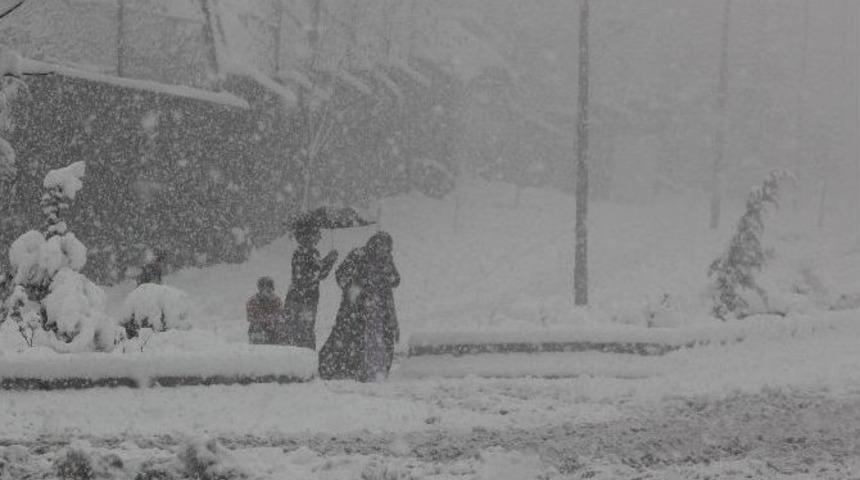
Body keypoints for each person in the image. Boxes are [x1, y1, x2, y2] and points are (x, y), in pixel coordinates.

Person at [318, 231, 400, 382]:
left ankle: (372, 370)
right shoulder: (358, 254)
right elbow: (341, 275)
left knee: (377, 340)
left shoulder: (386, 260)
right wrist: (354, 287)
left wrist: (389, 273)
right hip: (355, 307)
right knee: (347, 336)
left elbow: (395, 280)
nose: (384, 250)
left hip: (379, 309)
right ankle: (339, 368)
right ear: (374, 244)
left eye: (387, 247)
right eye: (382, 246)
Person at [280, 219, 338, 348]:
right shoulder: (306, 253)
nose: (320, 237)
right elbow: (315, 275)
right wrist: (329, 260)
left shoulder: (304, 252)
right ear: (309, 235)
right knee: (302, 330)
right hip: (304, 298)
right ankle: (302, 355)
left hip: (300, 297)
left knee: (296, 330)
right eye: (317, 234)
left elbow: (316, 273)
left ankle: (297, 352)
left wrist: (328, 262)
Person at [246, 276, 282, 344]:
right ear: (260, 289)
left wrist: (270, 322)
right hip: (258, 328)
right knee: (256, 327)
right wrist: (267, 319)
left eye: (270, 290)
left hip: (273, 328)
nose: (269, 293)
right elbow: (251, 317)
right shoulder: (253, 301)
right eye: (267, 290)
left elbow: (279, 315)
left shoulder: (276, 300)